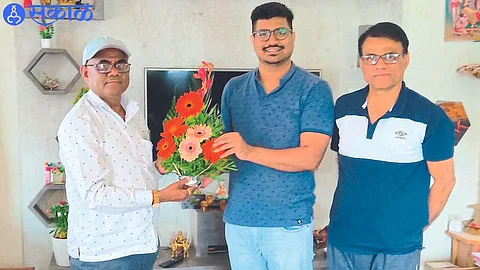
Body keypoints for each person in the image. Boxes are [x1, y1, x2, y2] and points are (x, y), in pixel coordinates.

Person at [324, 22, 456, 270]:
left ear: (406, 58)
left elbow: (445, 181)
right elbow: (346, 168)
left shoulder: (430, 116)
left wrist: (415, 225)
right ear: (361, 62)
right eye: (370, 57)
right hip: (344, 239)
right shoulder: (343, 108)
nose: (380, 64)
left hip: (398, 247)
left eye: (391, 56)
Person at [213, 2, 334, 270]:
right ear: (253, 39)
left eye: (280, 32)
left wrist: (248, 151)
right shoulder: (234, 89)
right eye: (263, 33)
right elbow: (222, 153)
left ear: (292, 36)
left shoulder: (314, 89)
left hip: (289, 224)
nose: (272, 40)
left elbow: (310, 157)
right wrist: (191, 165)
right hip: (239, 222)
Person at [57, 36, 195, 269]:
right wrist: (160, 196)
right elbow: (95, 195)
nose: (113, 71)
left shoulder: (133, 113)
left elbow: (134, 175)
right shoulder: (80, 122)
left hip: (143, 242)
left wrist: (159, 168)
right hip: (105, 253)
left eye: (120, 64)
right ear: (85, 72)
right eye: (103, 64)